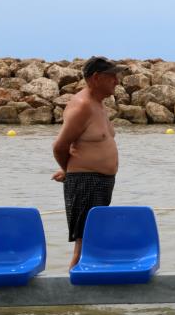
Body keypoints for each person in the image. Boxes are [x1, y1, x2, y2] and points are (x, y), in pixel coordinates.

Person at [51, 56, 125, 269]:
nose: (117, 82)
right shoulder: (82, 106)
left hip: (100, 181)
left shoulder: (98, 105)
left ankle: (86, 298)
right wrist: (70, 172)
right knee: (83, 246)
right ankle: (71, 297)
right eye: (112, 76)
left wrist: (68, 172)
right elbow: (60, 146)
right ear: (96, 77)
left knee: (95, 242)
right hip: (85, 183)